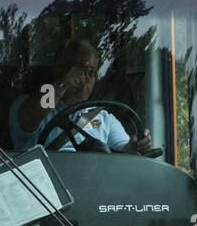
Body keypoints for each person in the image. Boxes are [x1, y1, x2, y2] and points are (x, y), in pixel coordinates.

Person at [10, 39, 153, 153]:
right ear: (58, 70)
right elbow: (31, 117)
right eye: (77, 69)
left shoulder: (103, 118)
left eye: (90, 72)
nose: (83, 79)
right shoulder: (29, 104)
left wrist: (136, 145)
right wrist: (65, 83)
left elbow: (123, 151)